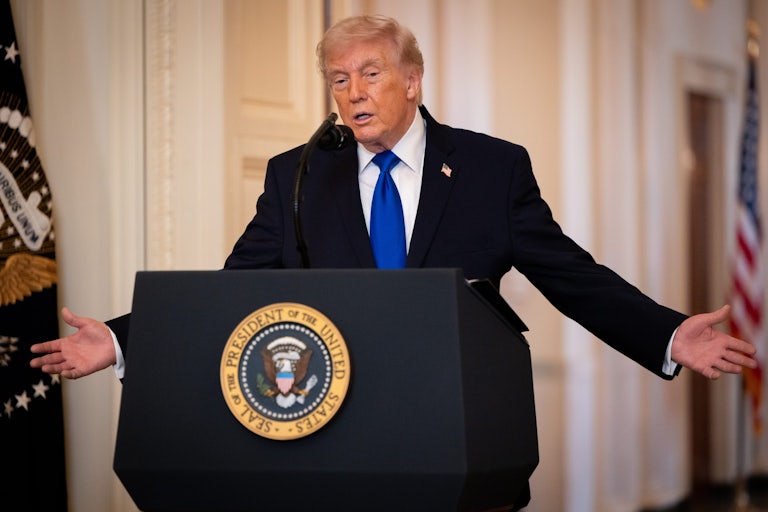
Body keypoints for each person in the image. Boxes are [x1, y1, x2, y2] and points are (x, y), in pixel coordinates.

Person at [30, 13, 757, 510]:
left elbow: (570, 275)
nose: (352, 93)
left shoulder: (489, 168)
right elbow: (235, 292)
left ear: (412, 80)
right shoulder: (299, 174)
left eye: (369, 74)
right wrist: (127, 339)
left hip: (460, 438)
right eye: (337, 80)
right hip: (337, 445)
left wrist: (665, 333)